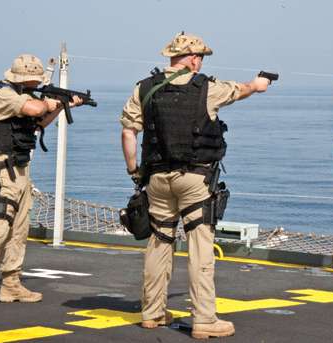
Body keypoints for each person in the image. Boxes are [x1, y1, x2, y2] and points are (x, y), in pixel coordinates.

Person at [120, 32, 271, 339]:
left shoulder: (144, 88)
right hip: (194, 180)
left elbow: (128, 134)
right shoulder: (208, 88)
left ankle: (151, 313)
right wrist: (258, 84)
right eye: (200, 57)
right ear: (191, 58)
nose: (201, 62)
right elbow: (242, 90)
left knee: (159, 242)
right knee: (200, 248)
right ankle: (204, 319)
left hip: (157, 180)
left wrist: (135, 172)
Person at [0, 54, 83, 313]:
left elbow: (37, 123)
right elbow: (36, 109)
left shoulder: (19, 95)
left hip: (19, 169)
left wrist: (62, 106)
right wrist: (51, 101)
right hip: (0, 171)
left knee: (18, 229)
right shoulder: (1, 94)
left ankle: (11, 283)